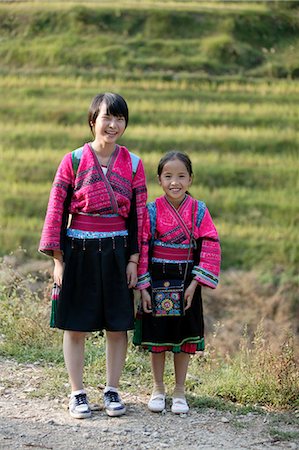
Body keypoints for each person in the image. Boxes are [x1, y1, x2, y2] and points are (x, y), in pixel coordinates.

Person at [39, 93, 147, 419]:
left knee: (118, 325)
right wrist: (58, 259)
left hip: (117, 250)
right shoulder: (72, 160)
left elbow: (138, 217)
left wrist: (133, 260)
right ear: (92, 120)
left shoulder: (135, 164)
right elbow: (56, 210)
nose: (113, 125)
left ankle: (113, 389)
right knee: (76, 325)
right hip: (78, 250)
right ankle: (77, 393)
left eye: (119, 119)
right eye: (106, 118)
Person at [133, 151, 221, 414]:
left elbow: (210, 244)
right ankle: (158, 388)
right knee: (158, 337)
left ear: (190, 179)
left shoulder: (199, 210)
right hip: (158, 279)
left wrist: (195, 284)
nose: (175, 182)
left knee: (183, 337)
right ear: (159, 180)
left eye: (181, 176)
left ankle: (180, 391)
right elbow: (143, 247)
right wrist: (144, 287)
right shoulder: (151, 210)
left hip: (186, 282)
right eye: (168, 176)